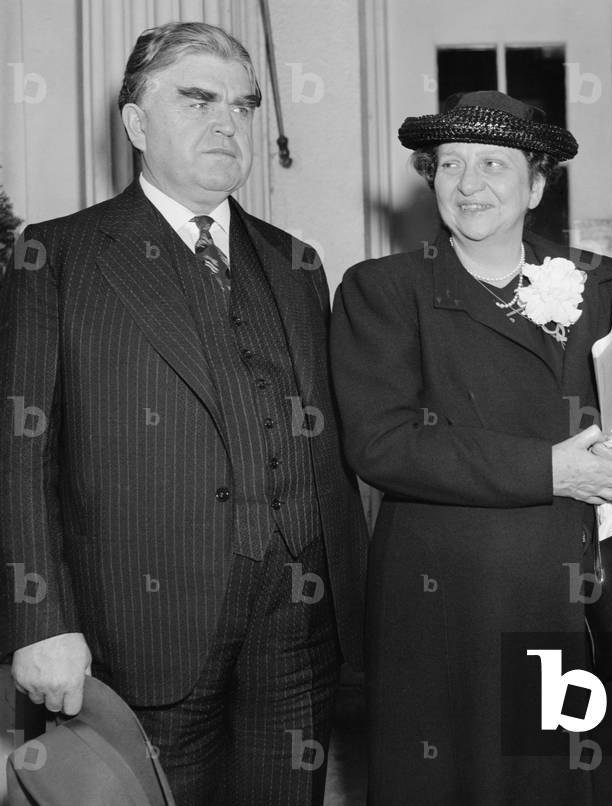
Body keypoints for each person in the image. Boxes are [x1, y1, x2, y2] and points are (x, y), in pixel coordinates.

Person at [0, 22, 368, 806]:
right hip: (143, 624)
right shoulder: (56, 257)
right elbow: (18, 455)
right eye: (196, 99)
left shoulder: (298, 262)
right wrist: (38, 620)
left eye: (242, 104)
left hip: (299, 622)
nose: (225, 121)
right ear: (136, 123)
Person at [331, 90, 612, 804]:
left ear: (536, 184)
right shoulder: (383, 290)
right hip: (450, 598)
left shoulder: (600, 281)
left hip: (584, 593)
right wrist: (554, 469)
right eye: (449, 164)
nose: (468, 184)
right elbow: (383, 444)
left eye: (493, 164)